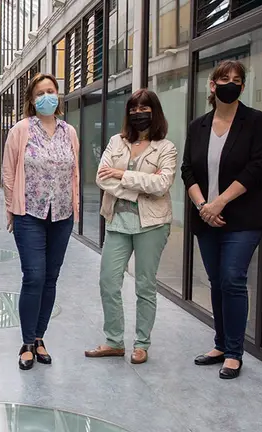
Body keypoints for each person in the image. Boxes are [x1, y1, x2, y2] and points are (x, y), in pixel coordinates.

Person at [181, 60, 262, 379]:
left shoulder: (256, 122)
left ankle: (234, 352)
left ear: (243, 87)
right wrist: (204, 205)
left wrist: (219, 202)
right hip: (206, 217)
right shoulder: (198, 126)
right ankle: (220, 344)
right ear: (212, 85)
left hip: (243, 218)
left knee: (233, 278)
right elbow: (187, 170)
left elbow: (257, 168)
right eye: (224, 79)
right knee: (217, 281)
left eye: (237, 80)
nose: (230, 84)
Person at [84, 89, 177, 364]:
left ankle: (141, 343)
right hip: (117, 221)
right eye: (134, 108)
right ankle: (114, 341)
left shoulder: (166, 147)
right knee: (108, 281)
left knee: (145, 286)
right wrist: (140, 186)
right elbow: (102, 178)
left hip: (152, 224)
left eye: (144, 108)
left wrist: (123, 175)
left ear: (155, 112)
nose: (138, 113)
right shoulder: (116, 141)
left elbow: (162, 184)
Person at [2, 73, 80, 370]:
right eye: (40, 93)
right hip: (29, 214)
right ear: (32, 100)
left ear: (58, 96)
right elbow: (8, 172)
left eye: (51, 91)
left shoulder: (68, 132)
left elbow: (74, 172)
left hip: (61, 215)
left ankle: (39, 338)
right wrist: (11, 207)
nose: (46, 96)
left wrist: (74, 207)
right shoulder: (20, 130)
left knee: (51, 277)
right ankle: (25, 341)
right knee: (33, 276)